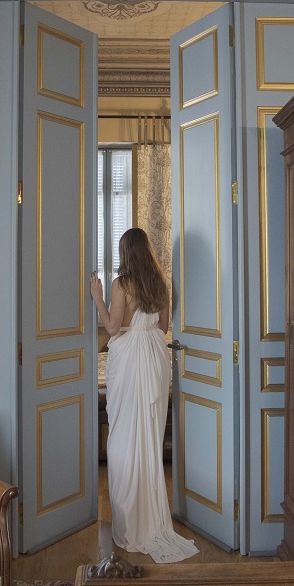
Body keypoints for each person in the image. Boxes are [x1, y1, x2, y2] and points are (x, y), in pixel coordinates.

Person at [90, 228, 198, 564]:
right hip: (154, 355)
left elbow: (112, 327)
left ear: (125, 253)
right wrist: (143, 330)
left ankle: (130, 521)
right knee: (149, 438)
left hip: (130, 359)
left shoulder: (122, 284)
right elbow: (163, 328)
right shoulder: (159, 283)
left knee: (121, 437)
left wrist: (97, 296)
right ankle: (150, 518)